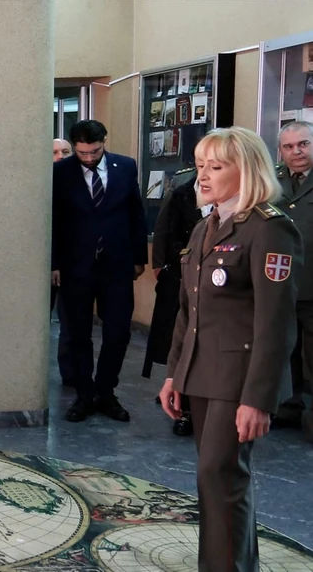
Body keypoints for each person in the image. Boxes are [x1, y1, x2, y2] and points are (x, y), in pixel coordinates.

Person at [161, 126, 302, 571]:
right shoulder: (207, 226)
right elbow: (190, 310)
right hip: (202, 372)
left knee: (219, 476)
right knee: (220, 482)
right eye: (200, 165)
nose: (202, 176)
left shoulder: (269, 229)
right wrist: (174, 372)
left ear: (247, 171)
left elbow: (275, 323)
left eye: (216, 167)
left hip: (239, 378)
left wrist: (258, 398)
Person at [51, 120, 147, 423]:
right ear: (74, 147)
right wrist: (54, 263)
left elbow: (135, 212)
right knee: (78, 334)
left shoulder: (126, 166)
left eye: (95, 151)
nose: (89, 158)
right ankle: (84, 394)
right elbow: (52, 220)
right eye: (83, 153)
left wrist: (139, 257)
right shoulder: (60, 172)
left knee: (118, 332)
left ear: (104, 141)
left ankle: (106, 392)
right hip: (75, 266)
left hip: (117, 265)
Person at [144, 166, 209, 436]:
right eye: (203, 163)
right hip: (183, 277)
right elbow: (164, 229)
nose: (207, 171)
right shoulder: (184, 190)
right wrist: (161, 265)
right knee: (180, 341)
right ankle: (184, 406)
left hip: (218, 288)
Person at [273, 121, 313, 433]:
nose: (296, 151)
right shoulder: (273, 181)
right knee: (286, 349)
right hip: (281, 283)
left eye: (303, 144)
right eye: (288, 146)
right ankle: (289, 406)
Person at [50, 138, 76, 388]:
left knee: (70, 321)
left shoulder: (78, 184)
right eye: (55, 152)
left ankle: (70, 374)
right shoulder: (40, 186)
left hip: (71, 264)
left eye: (65, 152)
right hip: (44, 263)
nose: (60, 157)